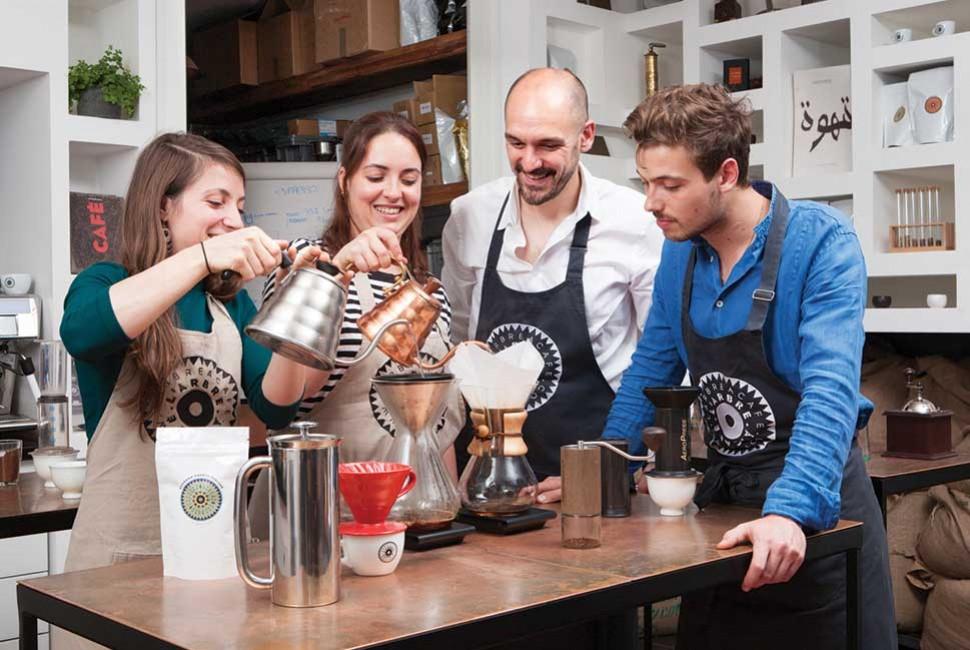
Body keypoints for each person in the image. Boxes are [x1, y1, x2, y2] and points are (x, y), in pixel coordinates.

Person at [602, 84, 895, 649]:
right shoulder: (679, 254)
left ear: (727, 173)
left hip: (818, 518)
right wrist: (602, 465)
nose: (650, 203)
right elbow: (650, 372)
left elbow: (829, 392)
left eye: (670, 185)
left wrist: (789, 512)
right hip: (724, 517)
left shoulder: (822, 242)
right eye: (646, 182)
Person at [59, 133, 307, 578]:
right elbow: (82, 333)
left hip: (212, 549)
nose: (235, 220)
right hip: (118, 558)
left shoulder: (231, 305)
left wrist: (298, 303)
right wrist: (202, 257)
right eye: (216, 202)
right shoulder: (106, 282)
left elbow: (277, 406)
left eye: (239, 206)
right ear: (163, 206)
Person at [442, 68, 663, 502]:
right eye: (516, 143)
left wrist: (611, 471)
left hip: (599, 484)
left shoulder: (635, 221)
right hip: (489, 486)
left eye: (547, 145)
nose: (529, 162)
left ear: (586, 136)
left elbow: (662, 363)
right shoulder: (470, 217)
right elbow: (457, 346)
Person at [255, 111, 463, 500]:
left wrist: (449, 507)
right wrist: (338, 271)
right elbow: (285, 400)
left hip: (413, 509)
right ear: (344, 180)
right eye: (376, 177)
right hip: (321, 507)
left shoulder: (430, 291)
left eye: (409, 180)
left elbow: (436, 430)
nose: (394, 192)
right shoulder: (308, 262)